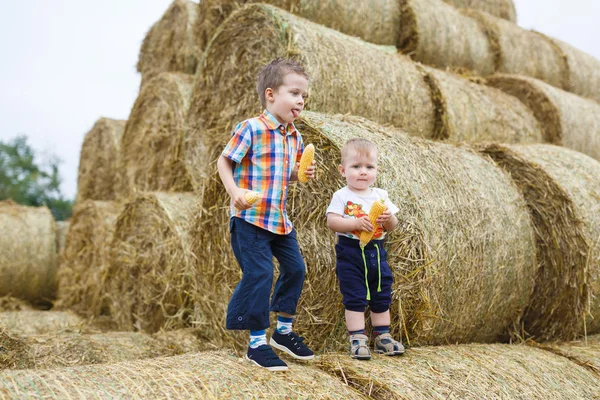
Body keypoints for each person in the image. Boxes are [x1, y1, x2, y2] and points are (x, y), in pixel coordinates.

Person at [216, 58, 316, 371]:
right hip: (249, 220)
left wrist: (301, 174)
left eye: (304, 96)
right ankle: (256, 343)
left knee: (296, 269)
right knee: (260, 274)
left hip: (279, 220)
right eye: (295, 92)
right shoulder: (252, 128)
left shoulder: (295, 137)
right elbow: (224, 161)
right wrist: (235, 193)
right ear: (271, 95)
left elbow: (282, 175)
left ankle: (282, 332)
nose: (300, 100)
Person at [326, 138, 405, 360]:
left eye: (369, 167)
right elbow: (332, 222)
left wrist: (388, 218)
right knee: (355, 294)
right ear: (343, 171)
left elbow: (393, 226)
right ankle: (358, 338)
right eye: (356, 167)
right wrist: (353, 224)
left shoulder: (381, 196)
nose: (363, 172)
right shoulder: (342, 195)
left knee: (381, 291)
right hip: (350, 252)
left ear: (376, 170)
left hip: (376, 250)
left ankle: (383, 336)